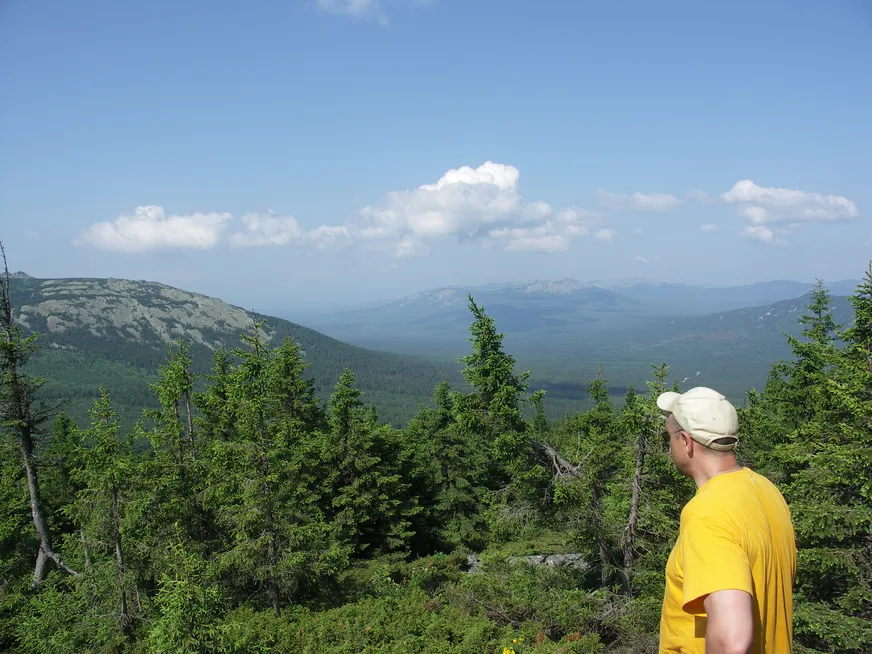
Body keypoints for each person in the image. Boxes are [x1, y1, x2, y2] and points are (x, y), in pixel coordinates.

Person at [656, 386, 796, 654]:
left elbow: (731, 640)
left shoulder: (707, 513)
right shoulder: (766, 490)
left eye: (670, 437)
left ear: (686, 442)